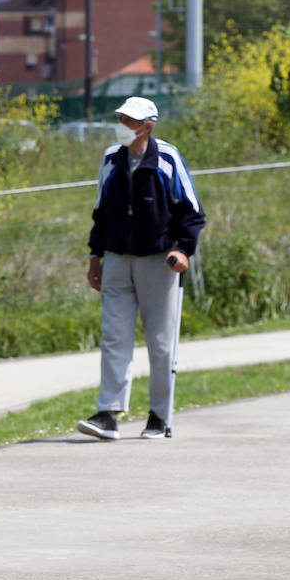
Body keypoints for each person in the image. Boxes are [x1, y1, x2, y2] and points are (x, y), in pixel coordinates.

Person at [79, 96, 206, 441]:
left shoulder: (167, 158)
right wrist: (95, 257)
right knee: (114, 336)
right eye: (121, 119)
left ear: (147, 126)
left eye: (130, 121)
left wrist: (183, 250)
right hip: (117, 259)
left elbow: (192, 212)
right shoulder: (110, 158)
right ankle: (108, 414)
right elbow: (100, 211)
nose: (122, 126)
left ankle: (159, 417)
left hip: (159, 260)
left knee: (160, 343)